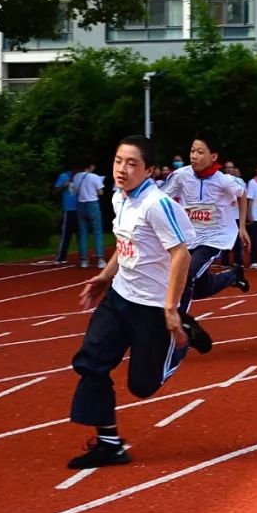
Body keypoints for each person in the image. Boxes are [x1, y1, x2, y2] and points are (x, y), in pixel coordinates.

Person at [67, 135, 196, 469]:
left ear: (149, 170)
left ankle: (183, 339)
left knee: (141, 386)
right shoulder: (118, 198)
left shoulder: (157, 205)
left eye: (132, 163)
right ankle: (109, 444)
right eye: (118, 161)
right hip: (119, 297)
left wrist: (171, 308)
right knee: (91, 362)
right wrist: (106, 276)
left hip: (152, 308)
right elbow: (127, 245)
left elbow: (181, 254)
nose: (122, 169)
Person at [162, 131, 251, 352]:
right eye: (192, 150)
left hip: (215, 238)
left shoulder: (224, 181)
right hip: (189, 237)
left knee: (186, 275)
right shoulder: (181, 176)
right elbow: (162, 198)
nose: (194, 155)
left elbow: (242, 193)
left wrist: (241, 227)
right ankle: (233, 275)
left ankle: (182, 323)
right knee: (198, 287)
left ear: (213, 157)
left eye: (200, 152)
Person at [74, 160, 107, 269]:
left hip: (81, 204)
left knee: (83, 234)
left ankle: (84, 260)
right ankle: (100, 259)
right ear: (91, 166)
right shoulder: (94, 176)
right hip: (92, 204)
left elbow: (75, 191)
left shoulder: (76, 177)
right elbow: (100, 192)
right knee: (97, 232)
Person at [53, 164, 80, 264]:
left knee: (80, 235)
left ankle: (83, 257)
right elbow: (55, 191)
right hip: (68, 210)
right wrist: (64, 186)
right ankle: (61, 257)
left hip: (80, 209)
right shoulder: (64, 176)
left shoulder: (81, 177)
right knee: (65, 235)